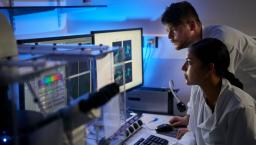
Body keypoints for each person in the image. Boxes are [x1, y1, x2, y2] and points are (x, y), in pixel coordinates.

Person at [160, 1, 256, 139]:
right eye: (167, 31)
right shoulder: (200, 46)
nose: (169, 36)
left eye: (173, 30)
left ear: (192, 26)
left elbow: (218, 93)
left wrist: (196, 131)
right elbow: (200, 84)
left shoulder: (220, 43)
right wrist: (190, 120)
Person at [178, 38, 256, 145]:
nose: (183, 67)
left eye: (189, 62)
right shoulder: (197, 91)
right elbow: (193, 133)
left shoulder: (241, 107)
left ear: (210, 68)